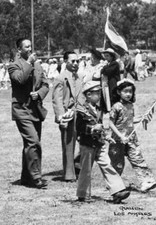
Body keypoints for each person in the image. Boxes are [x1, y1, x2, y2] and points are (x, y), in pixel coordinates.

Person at [75, 81, 130, 203]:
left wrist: (106, 136)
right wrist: (92, 128)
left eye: (100, 93)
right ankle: (83, 194)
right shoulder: (81, 110)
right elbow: (79, 128)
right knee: (86, 170)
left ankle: (117, 191)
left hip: (99, 143)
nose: (99, 96)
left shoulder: (99, 109)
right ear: (88, 95)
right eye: (97, 93)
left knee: (107, 165)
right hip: (87, 144)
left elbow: (102, 126)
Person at [8, 38, 49, 189]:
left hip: (35, 109)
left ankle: (26, 177)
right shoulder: (14, 66)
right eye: (26, 47)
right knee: (33, 142)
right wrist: (29, 63)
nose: (30, 49)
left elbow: (45, 84)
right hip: (21, 110)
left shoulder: (38, 65)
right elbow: (20, 79)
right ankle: (36, 177)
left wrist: (39, 94)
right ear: (19, 50)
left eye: (31, 46)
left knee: (31, 143)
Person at [108, 79, 156, 192]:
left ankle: (147, 181)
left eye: (130, 91)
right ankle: (115, 185)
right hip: (118, 139)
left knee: (138, 159)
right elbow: (110, 123)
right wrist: (120, 136)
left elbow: (129, 120)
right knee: (117, 163)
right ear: (119, 92)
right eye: (125, 91)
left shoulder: (130, 105)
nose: (128, 94)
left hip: (131, 138)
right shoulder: (116, 106)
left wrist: (140, 118)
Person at [52, 51, 83, 182]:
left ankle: (78, 166)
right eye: (72, 61)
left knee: (86, 143)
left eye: (77, 61)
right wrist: (61, 116)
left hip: (81, 114)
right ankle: (69, 174)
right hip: (68, 115)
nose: (75, 64)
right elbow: (57, 98)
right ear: (65, 62)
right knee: (68, 144)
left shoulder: (80, 77)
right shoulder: (60, 78)